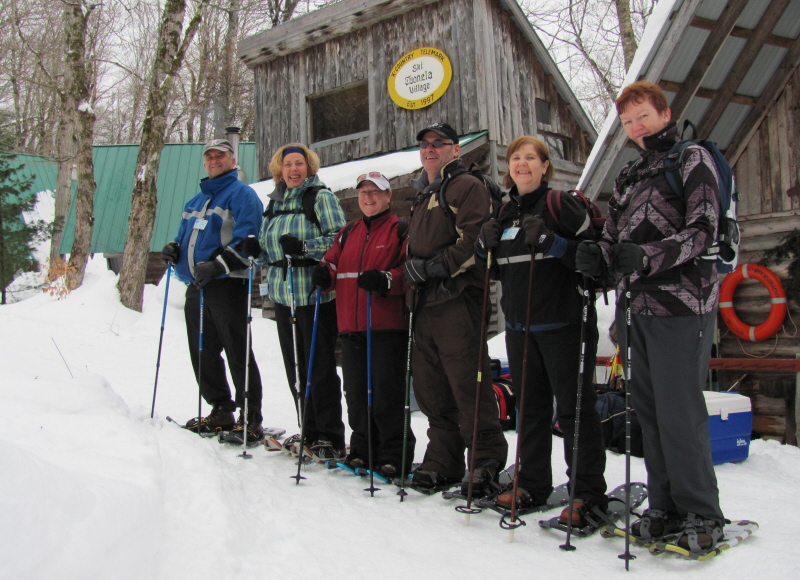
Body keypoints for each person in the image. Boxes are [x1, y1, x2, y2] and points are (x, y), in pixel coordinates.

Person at [576, 80, 725, 553]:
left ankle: (701, 511)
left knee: (680, 411)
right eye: (627, 121)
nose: (636, 127)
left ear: (664, 113)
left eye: (643, 116)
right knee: (650, 413)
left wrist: (647, 256)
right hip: (635, 310)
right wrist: (597, 256)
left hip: (682, 306)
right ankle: (664, 506)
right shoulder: (629, 174)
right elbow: (614, 237)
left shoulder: (691, 159)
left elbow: (704, 229)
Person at [475, 135, 607, 523]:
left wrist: (553, 242)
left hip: (566, 324)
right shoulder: (503, 214)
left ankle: (587, 493)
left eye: (531, 158)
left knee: (574, 411)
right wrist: (484, 248)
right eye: (516, 158)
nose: (522, 164)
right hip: (521, 327)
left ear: (545, 166)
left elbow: (597, 258)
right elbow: (498, 271)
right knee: (530, 410)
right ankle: (532, 483)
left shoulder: (560, 204)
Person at [403, 122, 508, 494]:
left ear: (456, 149)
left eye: (439, 143)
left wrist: (434, 266)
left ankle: (485, 460)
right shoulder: (423, 194)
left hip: (457, 297)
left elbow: (474, 238)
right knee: (431, 387)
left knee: (467, 382)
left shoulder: (466, 185)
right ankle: (443, 459)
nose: (430, 149)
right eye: (425, 144)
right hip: (425, 302)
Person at [241, 143, 347, 460]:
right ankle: (309, 428)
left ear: (308, 167)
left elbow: (340, 239)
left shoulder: (320, 197)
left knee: (320, 366)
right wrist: (256, 251)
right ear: (280, 169)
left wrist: (304, 247)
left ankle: (330, 435)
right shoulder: (274, 204)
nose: (293, 170)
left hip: (314, 296)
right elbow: (269, 250)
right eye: (287, 164)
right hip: (283, 296)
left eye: (299, 163)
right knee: (296, 367)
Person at [311, 172, 415, 477]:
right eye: (363, 192)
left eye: (375, 192)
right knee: (356, 393)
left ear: (388, 196)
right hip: (351, 325)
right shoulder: (348, 232)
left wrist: (386, 279)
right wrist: (323, 273)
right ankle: (362, 449)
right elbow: (331, 262)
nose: (368, 197)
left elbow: (409, 270)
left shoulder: (400, 230)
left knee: (385, 393)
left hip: (386, 326)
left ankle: (394, 454)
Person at [160, 138, 264, 440]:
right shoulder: (196, 201)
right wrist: (173, 249)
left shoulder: (243, 194)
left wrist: (218, 265)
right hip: (198, 284)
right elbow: (186, 237)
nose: (215, 160)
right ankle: (220, 408)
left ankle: (251, 415)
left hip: (228, 283)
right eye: (210, 156)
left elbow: (248, 239)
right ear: (204, 161)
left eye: (221, 155)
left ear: (233, 160)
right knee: (203, 349)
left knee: (236, 348)